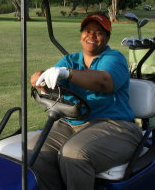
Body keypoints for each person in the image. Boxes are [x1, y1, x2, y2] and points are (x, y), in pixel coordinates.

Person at [30, 13, 142, 190]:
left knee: (75, 153)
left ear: (106, 37)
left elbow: (104, 82)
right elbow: (48, 77)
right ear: (81, 34)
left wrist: (68, 73)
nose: (91, 35)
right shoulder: (70, 60)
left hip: (116, 126)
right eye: (87, 31)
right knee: (33, 152)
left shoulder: (114, 58)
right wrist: (40, 78)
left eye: (98, 32)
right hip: (70, 123)